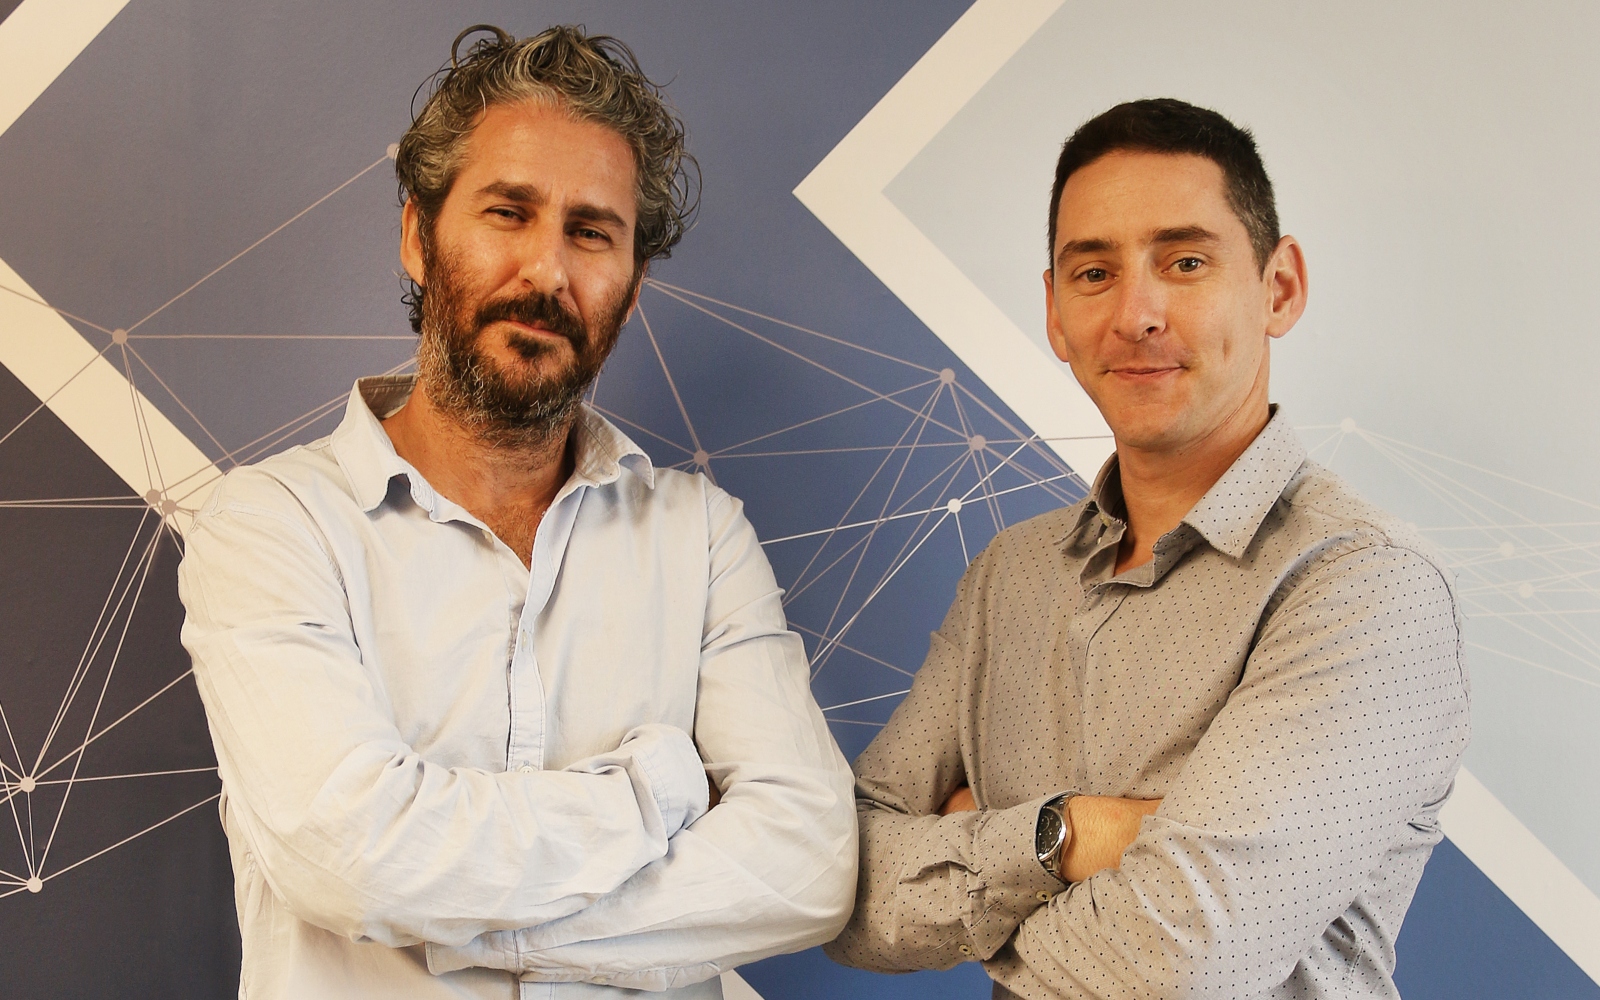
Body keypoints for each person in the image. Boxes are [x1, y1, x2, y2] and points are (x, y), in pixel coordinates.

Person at [178, 25, 856, 1000]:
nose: (546, 270)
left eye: (591, 232)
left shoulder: (701, 536)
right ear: (418, 237)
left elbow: (807, 865)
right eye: (509, 212)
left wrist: (464, 932)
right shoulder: (271, 525)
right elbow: (351, 857)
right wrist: (658, 790)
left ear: (631, 286)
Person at [824, 98, 1470, 999]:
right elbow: (839, 884)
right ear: (1055, 311)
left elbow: (1179, 966)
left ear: (1279, 288)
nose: (1136, 314)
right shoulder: (1009, 576)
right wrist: (1072, 835)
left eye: (1185, 262)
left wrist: (977, 856)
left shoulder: (1365, 585)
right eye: (1094, 273)